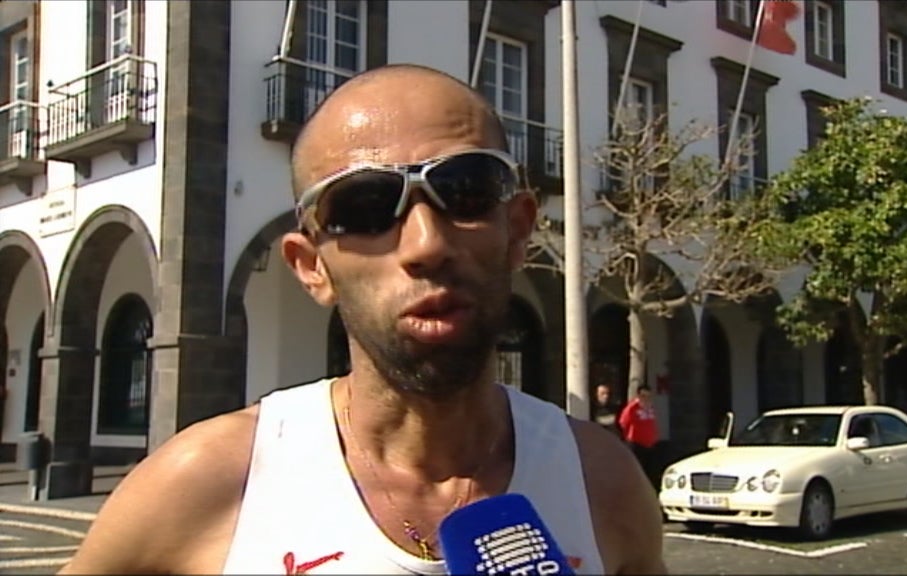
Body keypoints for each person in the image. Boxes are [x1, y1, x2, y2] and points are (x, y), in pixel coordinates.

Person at [59, 64, 665, 575]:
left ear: (517, 232)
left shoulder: (601, 480)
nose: (427, 244)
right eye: (366, 206)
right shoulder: (207, 482)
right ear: (311, 267)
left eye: (467, 190)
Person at [618, 385, 660, 492]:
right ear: (639, 396)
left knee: (651, 471)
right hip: (637, 444)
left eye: (648, 396)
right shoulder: (632, 408)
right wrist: (628, 437)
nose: (646, 399)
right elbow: (623, 423)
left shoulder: (650, 408)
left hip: (650, 444)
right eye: (643, 396)